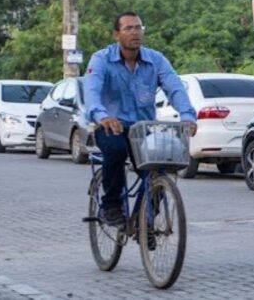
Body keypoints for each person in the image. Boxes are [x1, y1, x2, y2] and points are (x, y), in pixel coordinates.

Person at [84, 12, 197, 227]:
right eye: (128, 28)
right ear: (117, 34)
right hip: (110, 126)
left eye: (138, 27)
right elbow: (91, 92)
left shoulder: (156, 60)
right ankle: (111, 205)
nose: (135, 32)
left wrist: (187, 116)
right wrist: (102, 116)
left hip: (142, 129)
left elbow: (175, 89)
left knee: (159, 169)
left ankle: (144, 223)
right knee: (116, 151)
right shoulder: (101, 59)